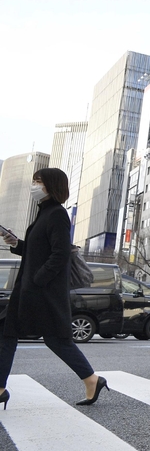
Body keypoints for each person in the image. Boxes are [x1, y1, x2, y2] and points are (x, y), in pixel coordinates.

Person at [0, 168, 108, 408]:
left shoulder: (57, 214)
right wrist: (17, 244)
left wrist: (38, 280)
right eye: (34, 180)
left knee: (56, 340)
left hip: (43, 292)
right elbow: (40, 250)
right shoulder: (44, 214)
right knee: (7, 333)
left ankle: (92, 379)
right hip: (30, 289)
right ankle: (0, 388)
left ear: (51, 185)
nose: (34, 185)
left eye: (38, 181)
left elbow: (60, 255)